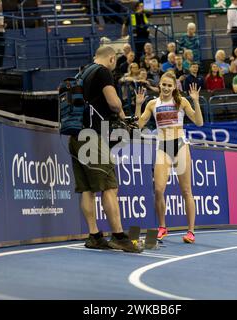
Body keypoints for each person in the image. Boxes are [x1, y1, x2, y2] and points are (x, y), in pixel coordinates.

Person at [68, 46, 141, 253]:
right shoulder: (102, 72)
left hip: (75, 136)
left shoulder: (81, 73)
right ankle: (118, 236)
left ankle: (94, 236)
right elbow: (114, 104)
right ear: (111, 59)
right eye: (114, 63)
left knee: (87, 189)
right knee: (110, 186)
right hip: (92, 137)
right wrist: (121, 112)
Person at [134, 73, 204, 244]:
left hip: (179, 145)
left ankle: (190, 232)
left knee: (186, 191)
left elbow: (199, 122)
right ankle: (162, 227)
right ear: (159, 86)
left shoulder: (181, 102)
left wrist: (195, 100)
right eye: (163, 85)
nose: (166, 88)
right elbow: (138, 125)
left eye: (169, 85)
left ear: (174, 87)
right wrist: (138, 105)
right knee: (158, 189)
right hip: (163, 147)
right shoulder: (152, 104)